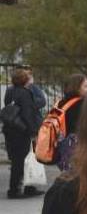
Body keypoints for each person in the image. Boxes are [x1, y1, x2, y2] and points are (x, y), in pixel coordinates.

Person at [4, 67, 43, 198]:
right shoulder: (25, 93)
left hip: (11, 129)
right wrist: (33, 131)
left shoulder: (10, 91)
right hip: (22, 131)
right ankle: (15, 190)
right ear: (25, 80)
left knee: (18, 160)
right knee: (22, 160)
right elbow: (28, 114)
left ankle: (24, 186)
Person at [53, 74, 87, 172]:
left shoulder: (60, 103)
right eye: (86, 86)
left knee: (68, 174)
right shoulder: (81, 104)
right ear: (77, 88)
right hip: (76, 145)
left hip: (62, 145)